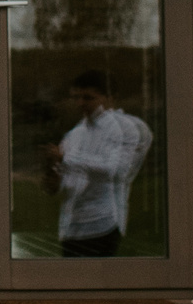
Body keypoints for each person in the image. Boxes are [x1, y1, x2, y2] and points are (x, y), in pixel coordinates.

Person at [44, 68, 153, 257]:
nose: (80, 103)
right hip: (71, 227)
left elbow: (115, 171)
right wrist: (55, 180)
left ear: (110, 97)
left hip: (101, 224)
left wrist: (66, 159)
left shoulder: (125, 127)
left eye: (88, 98)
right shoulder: (76, 133)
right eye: (76, 97)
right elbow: (67, 180)